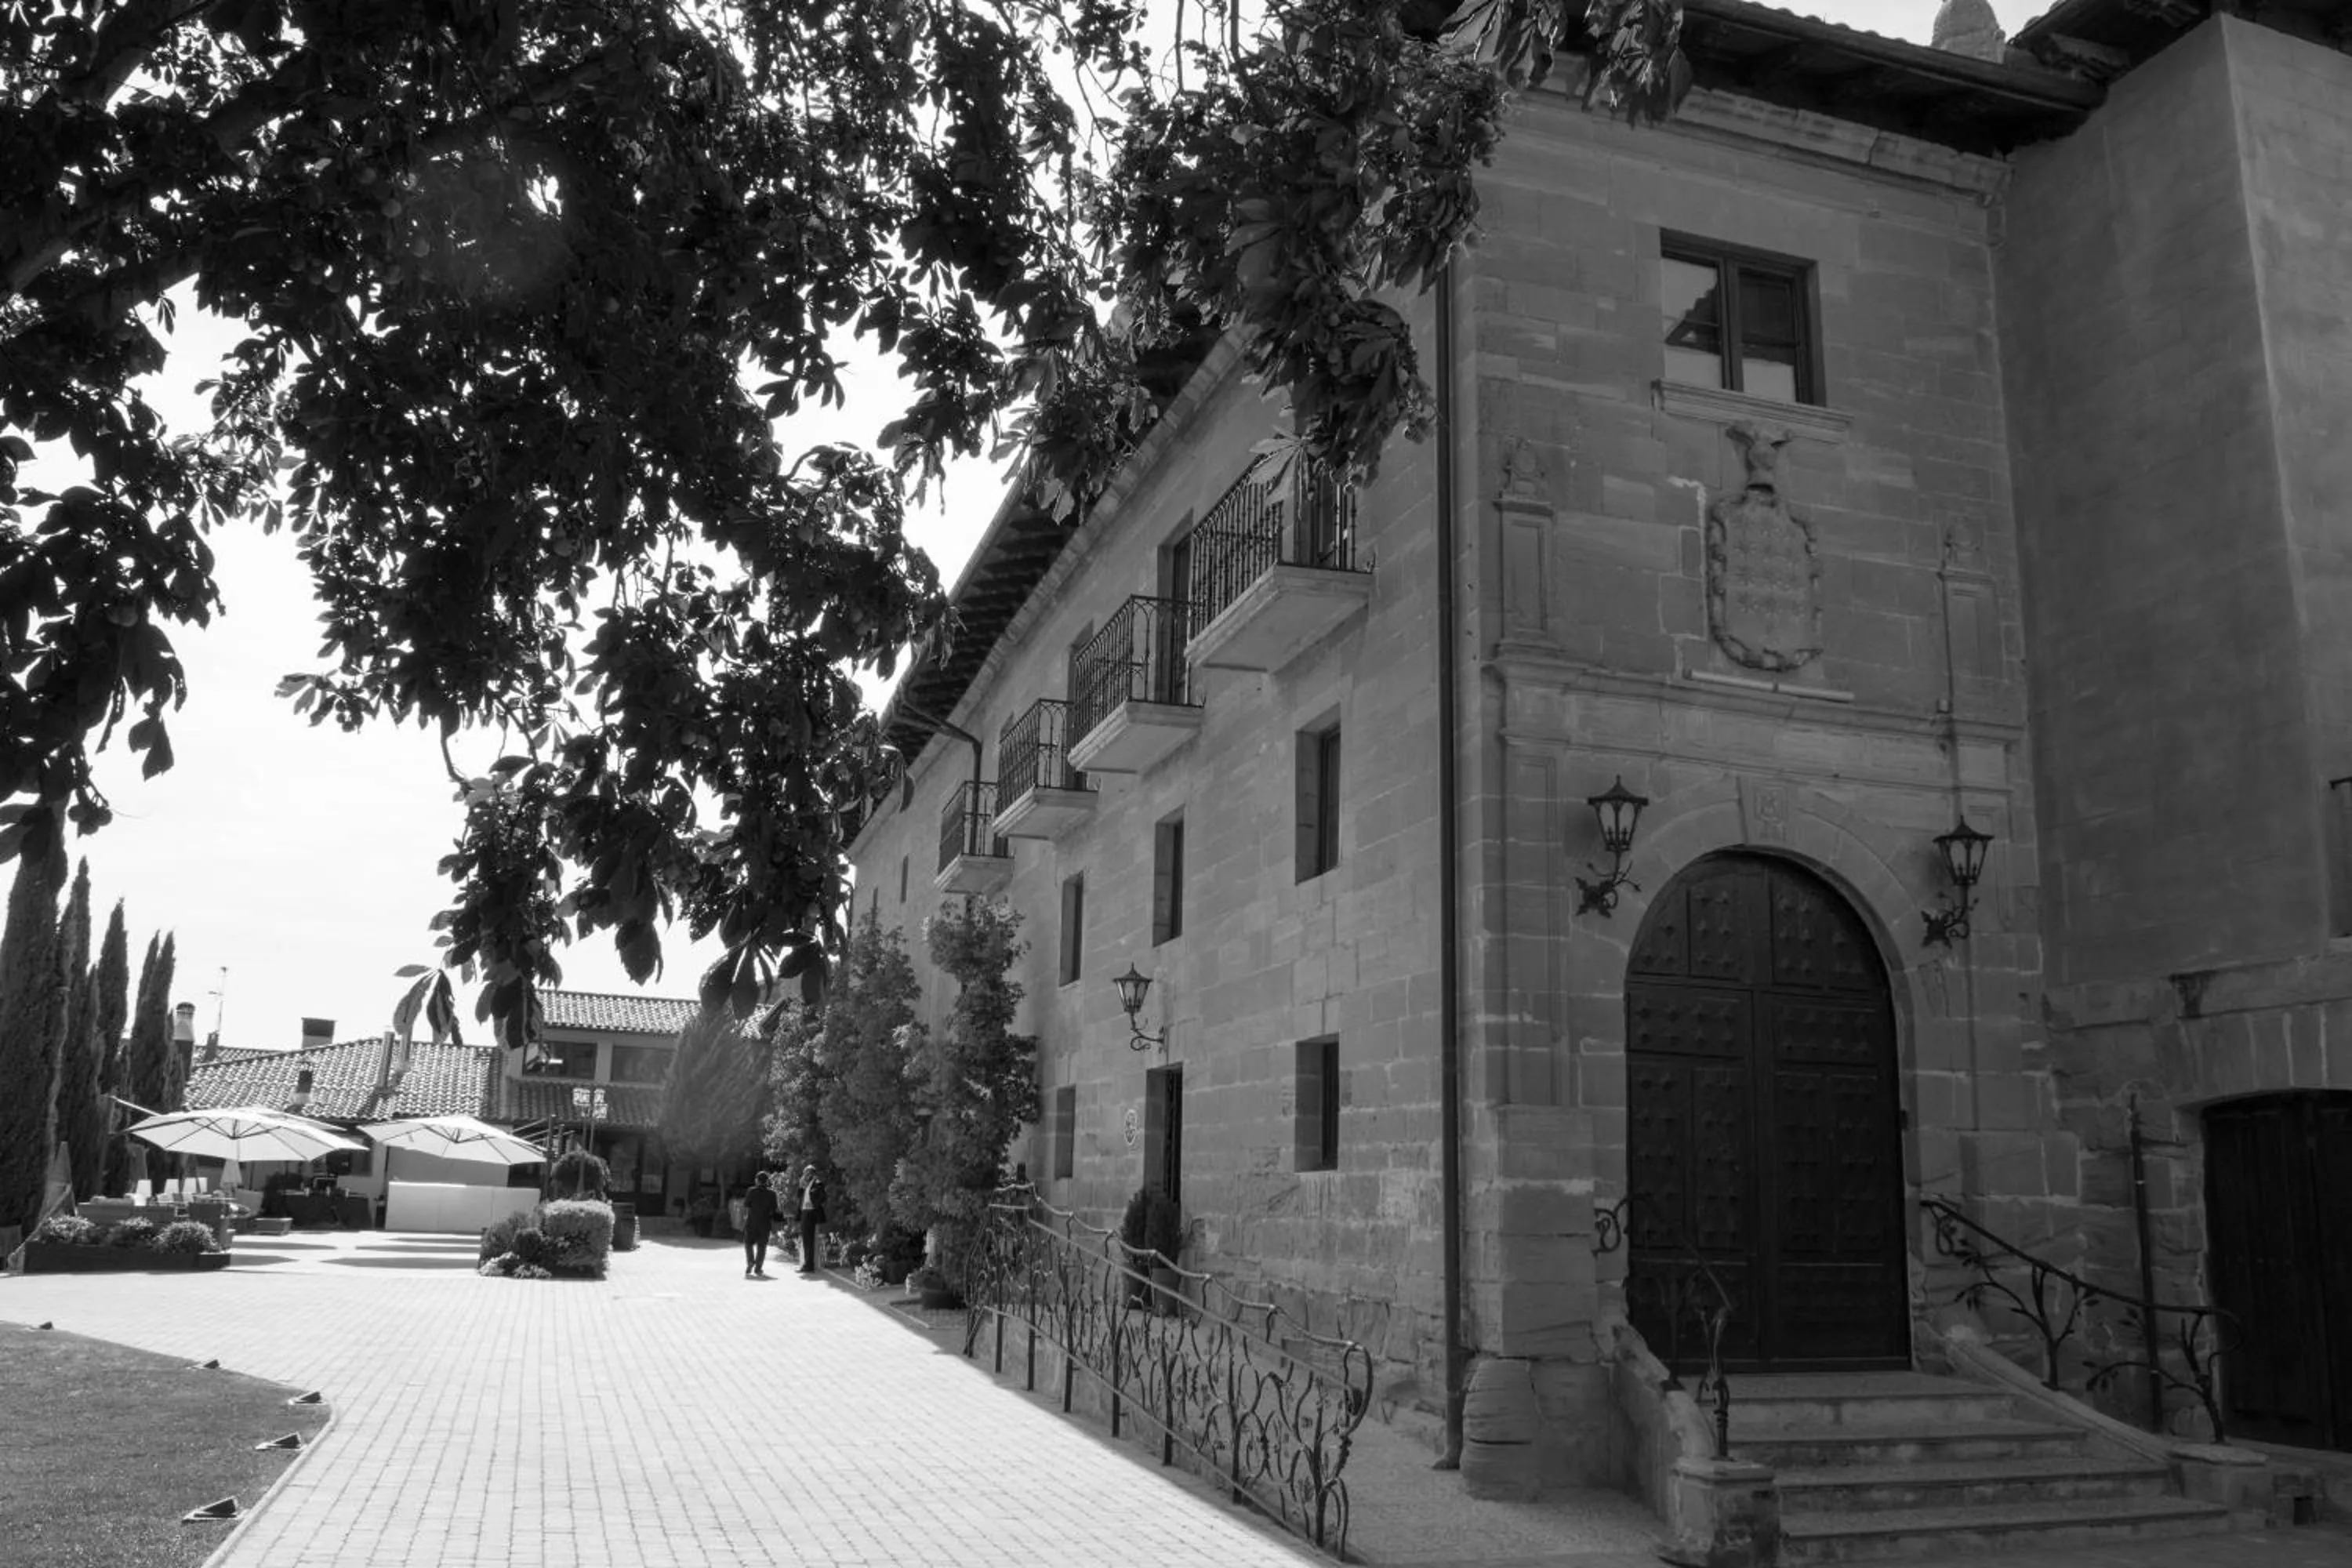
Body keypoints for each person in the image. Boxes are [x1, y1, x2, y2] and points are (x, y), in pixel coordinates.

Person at [741, 1171, 780, 1278]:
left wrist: (745, 1218)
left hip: (752, 1222)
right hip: (765, 1223)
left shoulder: (751, 1191)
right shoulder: (772, 1194)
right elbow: (774, 1210)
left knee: (748, 1243)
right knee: (762, 1246)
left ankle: (750, 1261)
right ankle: (758, 1268)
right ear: (767, 1181)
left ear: (757, 1181)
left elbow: (746, 1206)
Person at [797, 1163, 827, 1275]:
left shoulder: (817, 1183)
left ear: (812, 1173)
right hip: (804, 1212)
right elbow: (799, 1197)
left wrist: (814, 1205)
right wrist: (801, 1186)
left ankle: (809, 1265)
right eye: (805, 1173)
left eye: (807, 1173)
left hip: (811, 1213)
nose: (805, 1175)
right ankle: (807, 1264)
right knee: (806, 1239)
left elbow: (823, 1197)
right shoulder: (806, 1184)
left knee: (809, 1239)